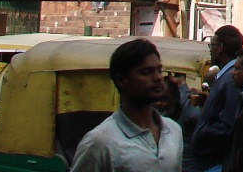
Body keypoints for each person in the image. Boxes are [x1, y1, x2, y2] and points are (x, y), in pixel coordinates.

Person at [70, 38, 183, 172]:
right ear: (121, 80)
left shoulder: (173, 131)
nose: (158, 77)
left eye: (159, 70)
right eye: (146, 72)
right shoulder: (100, 142)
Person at [192, 25, 243, 172]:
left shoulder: (230, 79)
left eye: (212, 45)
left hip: (218, 163)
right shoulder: (225, 77)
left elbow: (228, 124)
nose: (210, 50)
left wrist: (202, 130)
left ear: (220, 48)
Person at [156, 75, 201, 172]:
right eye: (157, 99)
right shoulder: (157, 115)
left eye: (164, 99)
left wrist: (183, 85)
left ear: (175, 99)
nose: (159, 103)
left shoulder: (187, 114)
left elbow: (194, 115)